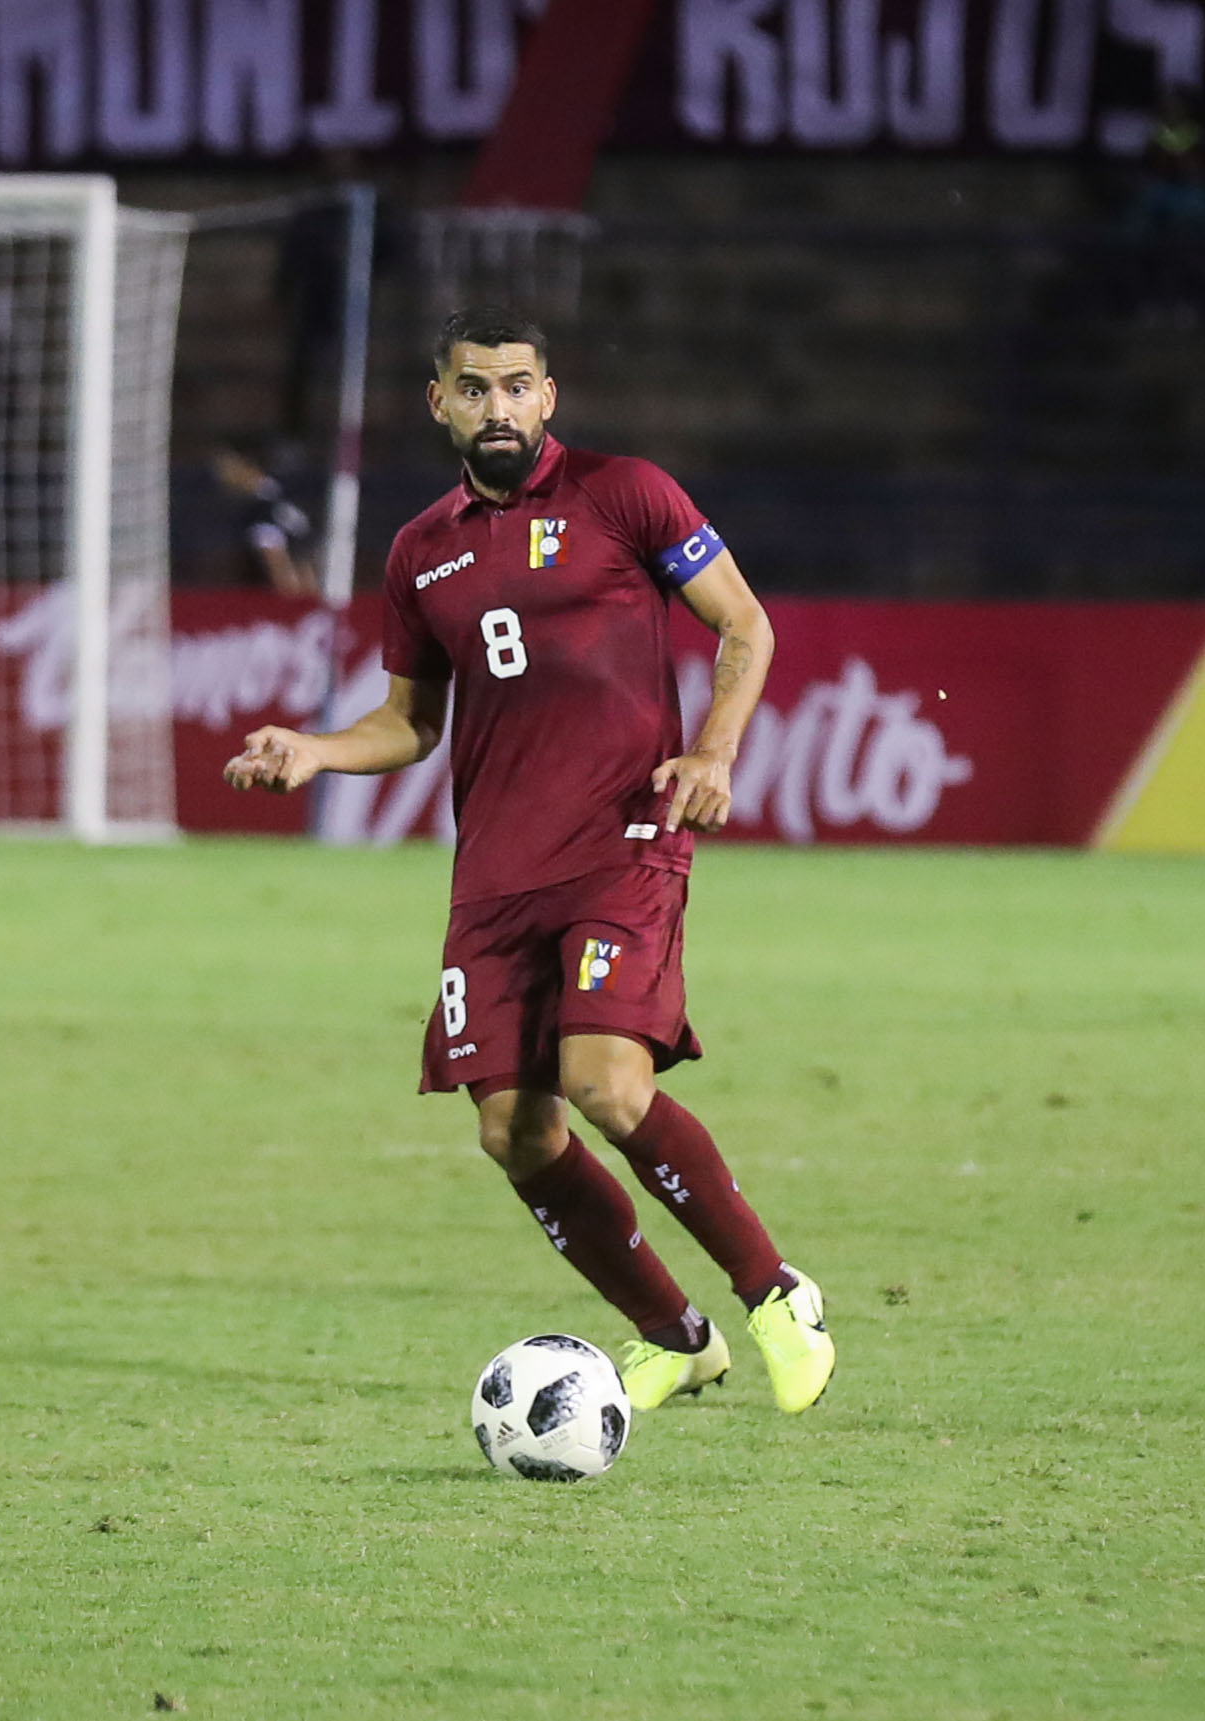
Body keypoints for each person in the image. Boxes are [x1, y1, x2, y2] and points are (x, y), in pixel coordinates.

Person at [223, 308, 834, 1415]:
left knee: (605, 1083)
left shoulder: (625, 492)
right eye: (474, 388)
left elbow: (744, 624)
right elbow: (410, 721)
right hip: (496, 873)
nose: (496, 406)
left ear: (548, 397)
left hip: (622, 839)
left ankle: (776, 1292)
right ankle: (673, 1332)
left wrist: (712, 749)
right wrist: (314, 747)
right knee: (512, 1127)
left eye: (516, 387)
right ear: (439, 402)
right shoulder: (420, 549)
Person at [209, 441, 317, 597]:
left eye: (226, 471)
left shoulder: (269, 504)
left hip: (313, 579)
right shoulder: (260, 512)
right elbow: (280, 569)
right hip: (309, 581)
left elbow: (284, 576)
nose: (223, 479)